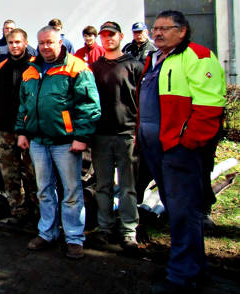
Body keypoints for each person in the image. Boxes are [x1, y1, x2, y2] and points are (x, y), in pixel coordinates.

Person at [136, 10, 226, 293]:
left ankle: (182, 277)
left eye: (165, 28)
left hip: (179, 150)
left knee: (185, 212)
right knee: (176, 211)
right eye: (155, 28)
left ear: (183, 31)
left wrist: (185, 143)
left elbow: (209, 108)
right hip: (155, 149)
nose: (158, 33)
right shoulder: (154, 60)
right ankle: (192, 268)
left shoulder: (197, 57)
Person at [15, 25, 101, 259]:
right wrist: (22, 132)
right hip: (38, 142)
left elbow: (89, 105)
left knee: (71, 190)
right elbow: (24, 104)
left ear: (60, 42)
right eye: (41, 42)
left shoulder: (76, 67)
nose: (45, 47)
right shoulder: (31, 70)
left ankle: (74, 237)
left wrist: (81, 136)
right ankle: (47, 232)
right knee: (44, 189)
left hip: (66, 142)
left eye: (50, 42)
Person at [89, 21, 143, 250]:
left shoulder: (134, 66)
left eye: (111, 35)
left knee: (128, 186)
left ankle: (129, 231)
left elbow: (143, 101)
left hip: (126, 134)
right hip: (100, 135)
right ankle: (105, 228)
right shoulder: (93, 67)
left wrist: (139, 132)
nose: (107, 39)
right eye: (103, 35)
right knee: (103, 185)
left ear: (120, 36)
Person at [0, 28, 38, 219]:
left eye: (17, 42)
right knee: (10, 173)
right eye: (10, 43)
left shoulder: (36, 67)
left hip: (31, 130)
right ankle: (18, 210)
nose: (14, 46)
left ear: (25, 43)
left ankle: (39, 211)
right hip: (5, 129)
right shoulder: (0, 69)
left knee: (34, 174)